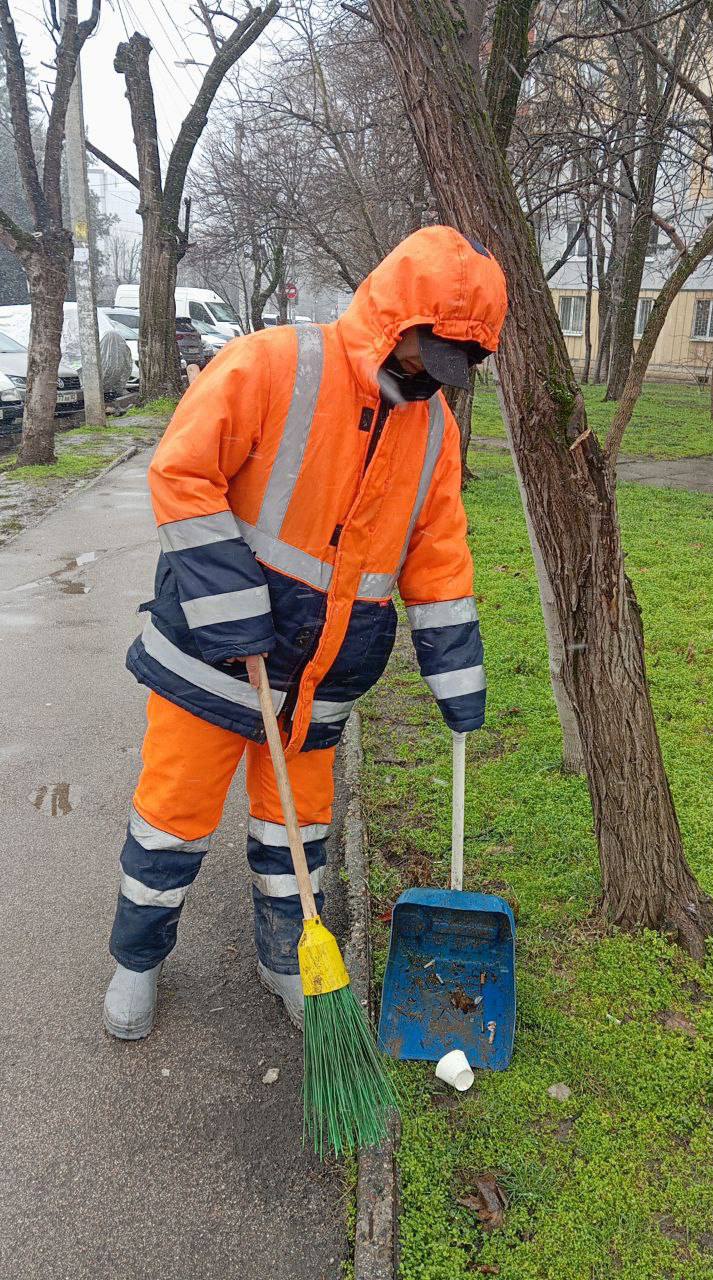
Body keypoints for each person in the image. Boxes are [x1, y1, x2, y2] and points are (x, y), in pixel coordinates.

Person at [103, 224, 508, 1039]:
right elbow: (182, 471)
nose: (428, 379)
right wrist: (234, 608)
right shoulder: (273, 364)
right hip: (213, 662)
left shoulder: (432, 433)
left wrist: (458, 682)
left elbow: (439, 558)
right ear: (394, 324)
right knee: (174, 818)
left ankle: (287, 958)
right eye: (423, 356)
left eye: (448, 369)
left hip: (319, 686)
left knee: (299, 833)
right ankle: (137, 961)